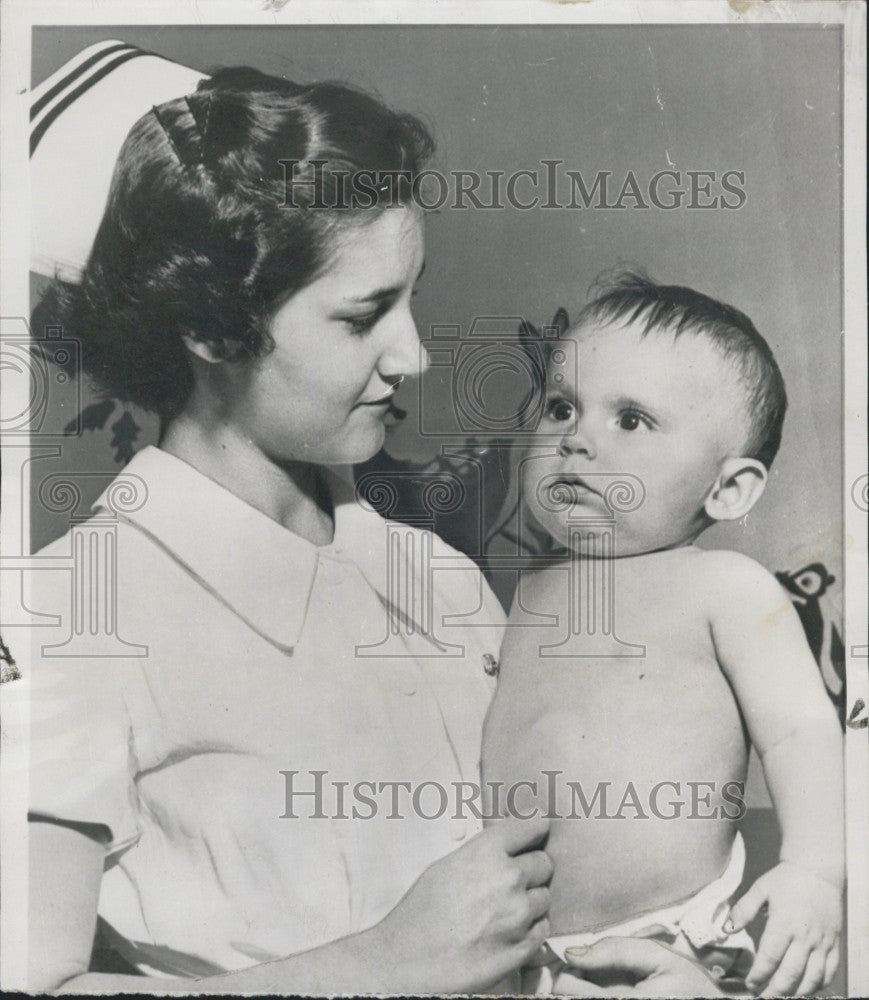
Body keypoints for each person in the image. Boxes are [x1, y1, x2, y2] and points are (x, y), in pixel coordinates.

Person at [21, 66, 736, 995]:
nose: (414, 355)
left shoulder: (438, 574)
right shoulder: (62, 613)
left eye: (410, 297)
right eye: (363, 316)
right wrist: (378, 967)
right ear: (208, 328)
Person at [482, 272, 844, 996]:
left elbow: (800, 732)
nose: (575, 439)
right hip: (523, 960)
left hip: (672, 945)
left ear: (727, 488)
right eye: (560, 407)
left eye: (630, 420)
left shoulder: (723, 587)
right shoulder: (524, 594)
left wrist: (813, 871)